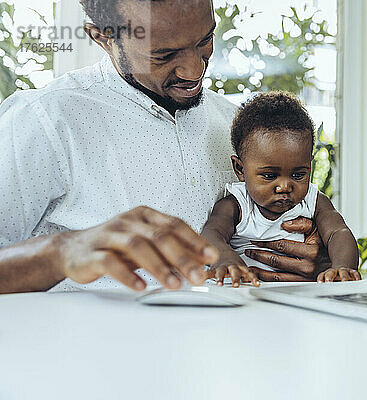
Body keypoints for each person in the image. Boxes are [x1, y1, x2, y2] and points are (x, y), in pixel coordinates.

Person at [0, 0, 331, 294]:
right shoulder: (42, 120)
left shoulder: (237, 126)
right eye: (164, 54)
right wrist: (61, 252)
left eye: (205, 40)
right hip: (95, 358)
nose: (195, 70)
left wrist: (314, 263)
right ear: (102, 37)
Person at [202, 92, 361, 287]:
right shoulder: (236, 204)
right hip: (244, 293)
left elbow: (339, 232)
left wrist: (342, 266)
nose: (284, 187)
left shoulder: (314, 201)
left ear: (310, 166)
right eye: (269, 176)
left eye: (298, 175)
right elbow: (212, 234)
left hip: (298, 296)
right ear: (240, 169)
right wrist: (225, 259)